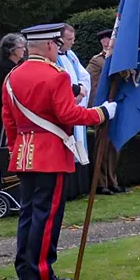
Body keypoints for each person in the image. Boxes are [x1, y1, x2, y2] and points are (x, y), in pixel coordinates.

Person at [0, 23, 116, 280]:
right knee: (46, 217)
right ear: (51, 45)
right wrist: (102, 113)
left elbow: (10, 121)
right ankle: (41, 276)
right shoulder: (57, 75)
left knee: (28, 215)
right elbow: (69, 115)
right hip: (50, 154)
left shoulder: (12, 77)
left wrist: (19, 149)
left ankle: (26, 274)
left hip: (25, 153)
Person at [55, 24, 93, 200]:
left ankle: (79, 187)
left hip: (77, 104)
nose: (73, 42)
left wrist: (82, 92)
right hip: (66, 107)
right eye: (69, 39)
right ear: (60, 39)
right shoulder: (54, 58)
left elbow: (84, 76)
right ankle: (67, 190)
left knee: (79, 143)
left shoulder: (71, 56)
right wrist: (74, 94)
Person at [86, 29, 125, 195]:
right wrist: (98, 109)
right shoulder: (97, 61)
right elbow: (93, 87)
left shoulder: (121, 60)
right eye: (104, 39)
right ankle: (101, 183)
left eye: (109, 38)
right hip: (103, 108)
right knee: (102, 145)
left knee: (115, 146)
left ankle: (112, 180)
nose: (107, 41)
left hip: (118, 107)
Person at [0, 33, 26, 142]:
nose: (24, 50)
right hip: (8, 112)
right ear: (11, 50)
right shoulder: (1, 68)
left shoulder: (22, 65)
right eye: (21, 47)